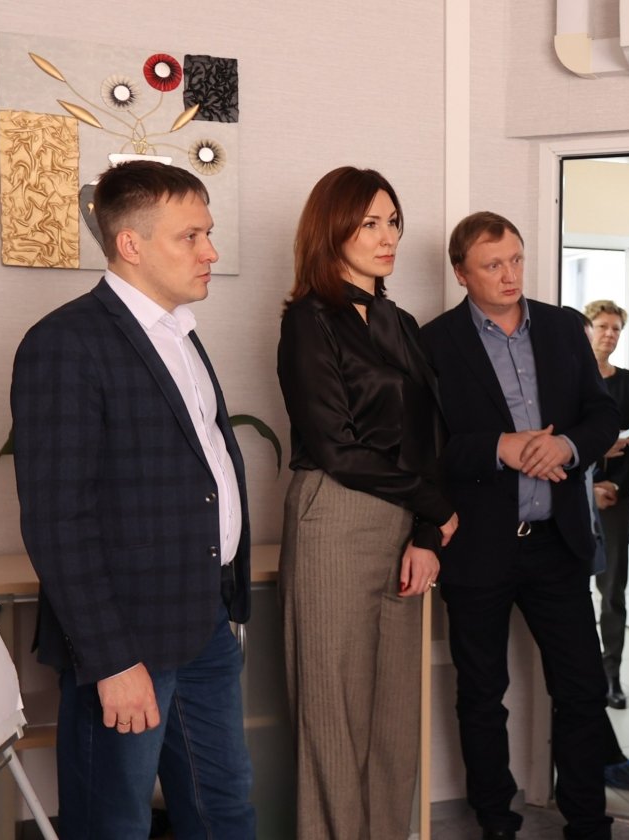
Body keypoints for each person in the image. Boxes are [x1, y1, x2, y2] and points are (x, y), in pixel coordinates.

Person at [10, 160, 255, 839]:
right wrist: (112, 660)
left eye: (208, 233)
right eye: (191, 237)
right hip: (125, 639)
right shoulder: (65, 344)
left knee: (224, 810)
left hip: (205, 620)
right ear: (130, 244)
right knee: (112, 823)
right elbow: (58, 520)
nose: (211, 252)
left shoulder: (181, 333)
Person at [420, 212, 620, 840]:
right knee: (482, 694)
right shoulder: (434, 342)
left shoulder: (562, 327)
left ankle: (587, 822)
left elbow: (603, 417)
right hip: (477, 549)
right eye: (492, 265)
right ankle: (496, 823)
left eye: (516, 260)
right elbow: (426, 451)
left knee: (582, 688)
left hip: (557, 545)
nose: (510, 275)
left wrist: (566, 446)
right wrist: (499, 448)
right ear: (461, 273)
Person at [276, 167, 457, 839]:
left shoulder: (399, 322)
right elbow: (336, 446)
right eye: (370, 223)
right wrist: (436, 506)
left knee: (393, 718)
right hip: (336, 516)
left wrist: (427, 533)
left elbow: (428, 437)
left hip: (403, 519)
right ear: (333, 230)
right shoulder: (308, 320)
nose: (389, 238)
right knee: (333, 715)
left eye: (393, 222)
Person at [582, 299, 629, 710]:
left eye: (616, 328)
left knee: (612, 592)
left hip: (617, 500)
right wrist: (589, 486)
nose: (610, 334)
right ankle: (582, 673)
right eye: (603, 326)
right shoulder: (571, 378)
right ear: (588, 329)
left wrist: (616, 487)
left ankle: (612, 676)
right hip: (576, 495)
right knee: (573, 589)